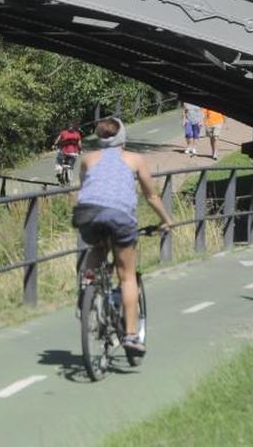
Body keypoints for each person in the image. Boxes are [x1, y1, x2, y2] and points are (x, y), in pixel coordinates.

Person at [72, 117, 174, 357]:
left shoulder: (87, 159)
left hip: (87, 214)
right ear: (122, 137)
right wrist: (166, 220)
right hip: (120, 217)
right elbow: (151, 196)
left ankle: (88, 283)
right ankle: (130, 334)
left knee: (97, 248)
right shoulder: (135, 160)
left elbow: (86, 188)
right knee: (127, 276)